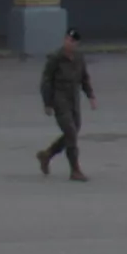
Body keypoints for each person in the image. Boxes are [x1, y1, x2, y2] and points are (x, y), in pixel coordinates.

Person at [33, 31, 95, 177]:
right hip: (59, 99)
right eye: (67, 39)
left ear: (76, 43)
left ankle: (47, 155)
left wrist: (91, 95)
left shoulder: (79, 58)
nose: (69, 43)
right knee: (70, 132)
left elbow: (84, 78)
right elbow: (46, 81)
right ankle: (75, 170)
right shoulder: (55, 58)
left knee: (72, 132)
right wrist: (47, 103)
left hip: (74, 99)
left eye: (73, 41)